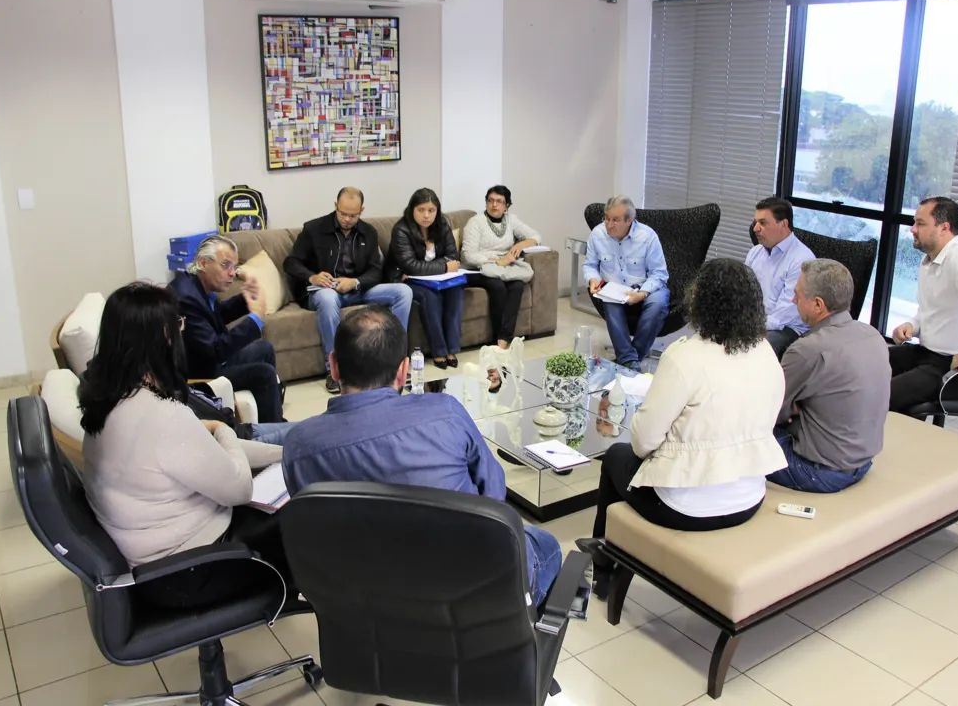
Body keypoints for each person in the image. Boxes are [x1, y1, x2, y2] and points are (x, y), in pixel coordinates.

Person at [282, 305, 562, 608]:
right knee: (546, 544)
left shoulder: (298, 446)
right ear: (404, 371)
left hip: (370, 604)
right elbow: (494, 497)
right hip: (471, 596)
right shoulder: (446, 411)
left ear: (334, 366)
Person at [576, 259, 786, 598]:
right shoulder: (766, 352)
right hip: (749, 497)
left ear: (700, 302)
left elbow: (643, 442)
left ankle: (604, 560)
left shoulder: (684, 356)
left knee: (617, 455)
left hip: (686, 507)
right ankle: (606, 554)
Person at [78, 282, 288, 609]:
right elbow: (240, 489)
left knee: (285, 473)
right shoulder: (163, 418)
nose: (181, 331)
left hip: (156, 562)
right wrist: (223, 430)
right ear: (162, 338)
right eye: (177, 324)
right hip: (188, 573)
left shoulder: (108, 401)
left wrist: (286, 454)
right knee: (305, 515)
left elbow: (203, 456)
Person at [770, 259, 890, 493]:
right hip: (863, 463)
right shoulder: (873, 335)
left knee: (735, 436)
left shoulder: (807, 350)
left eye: (797, 295)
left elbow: (771, 414)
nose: (793, 300)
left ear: (817, 304)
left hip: (819, 473)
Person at [283, 187, 413, 394]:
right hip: (325, 290)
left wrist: (355, 282)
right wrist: (312, 276)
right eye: (343, 213)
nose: (346, 219)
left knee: (404, 292)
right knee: (327, 298)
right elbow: (291, 262)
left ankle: (394, 362)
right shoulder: (314, 229)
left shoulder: (368, 232)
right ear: (335, 206)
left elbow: (376, 270)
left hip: (357, 289)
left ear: (362, 210)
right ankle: (335, 369)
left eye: (353, 215)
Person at [889, 196, 958, 413]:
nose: (913, 229)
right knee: (865, 364)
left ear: (944, 228)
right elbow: (932, 309)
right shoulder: (931, 260)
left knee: (882, 394)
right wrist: (913, 325)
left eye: (920, 224)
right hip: (930, 354)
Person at [170, 234, 283, 423]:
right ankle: (268, 434)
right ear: (203, 263)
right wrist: (255, 318)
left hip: (207, 361)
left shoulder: (195, 285)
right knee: (264, 373)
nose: (232, 273)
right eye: (226, 265)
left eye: (234, 267)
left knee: (265, 348)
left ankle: (272, 417)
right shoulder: (186, 298)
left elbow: (216, 315)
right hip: (200, 375)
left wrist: (246, 299)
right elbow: (217, 350)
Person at [583, 195, 670, 370]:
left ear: (630, 220)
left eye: (615, 220)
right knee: (609, 300)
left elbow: (659, 274)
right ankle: (630, 362)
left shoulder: (647, 236)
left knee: (658, 303)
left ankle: (628, 360)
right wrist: (593, 279)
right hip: (615, 288)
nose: (609, 224)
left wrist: (642, 293)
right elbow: (590, 265)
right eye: (607, 218)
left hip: (648, 287)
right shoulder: (597, 234)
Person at [388, 188, 464, 369]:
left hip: (438, 279)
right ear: (412, 209)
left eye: (431, 210)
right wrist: (444, 266)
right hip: (405, 280)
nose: (426, 216)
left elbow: (453, 256)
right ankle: (439, 351)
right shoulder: (401, 230)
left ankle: (451, 349)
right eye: (421, 210)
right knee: (430, 296)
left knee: (455, 290)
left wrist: (432, 268)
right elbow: (410, 266)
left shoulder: (442, 225)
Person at [461, 185, 541, 349]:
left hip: (504, 267)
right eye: (490, 201)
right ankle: (496, 341)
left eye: (499, 201)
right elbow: (468, 255)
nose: (494, 205)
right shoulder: (476, 222)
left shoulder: (511, 220)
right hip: (478, 268)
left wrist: (520, 246)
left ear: (507, 205)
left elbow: (536, 236)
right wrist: (496, 261)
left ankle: (503, 341)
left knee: (517, 285)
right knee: (497, 286)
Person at [745, 197, 815, 359]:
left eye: (763, 223)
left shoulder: (801, 259)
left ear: (783, 224)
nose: (755, 228)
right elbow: (744, 294)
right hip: (756, 321)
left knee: (755, 352)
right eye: (756, 222)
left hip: (785, 328)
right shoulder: (755, 253)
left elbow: (785, 314)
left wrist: (748, 327)